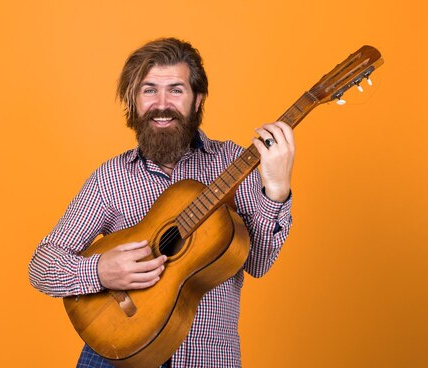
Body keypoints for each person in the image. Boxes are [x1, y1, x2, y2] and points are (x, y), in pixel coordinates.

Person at [28, 37, 295, 368]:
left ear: (197, 100)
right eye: (149, 89)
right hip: (116, 356)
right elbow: (42, 266)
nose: (162, 103)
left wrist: (277, 189)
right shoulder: (111, 178)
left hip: (207, 359)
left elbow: (257, 263)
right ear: (134, 101)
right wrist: (99, 270)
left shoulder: (234, 163)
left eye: (176, 90)